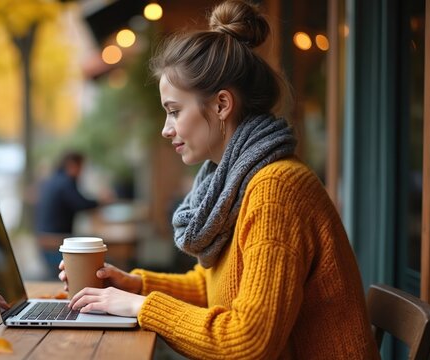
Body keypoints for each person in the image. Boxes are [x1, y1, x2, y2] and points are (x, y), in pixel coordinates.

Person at [60, 1, 380, 358]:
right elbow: (215, 285)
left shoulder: (277, 190)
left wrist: (141, 307)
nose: (167, 129)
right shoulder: (235, 181)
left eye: (175, 111)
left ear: (222, 105)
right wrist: (136, 285)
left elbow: (249, 342)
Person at [35, 151, 105, 271]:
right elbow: (81, 204)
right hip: (56, 244)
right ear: (72, 165)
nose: (81, 172)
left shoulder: (51, 180)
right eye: (81, 167)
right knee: (97, 253)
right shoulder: (65, 182)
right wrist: (101, 201)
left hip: (43, 242)